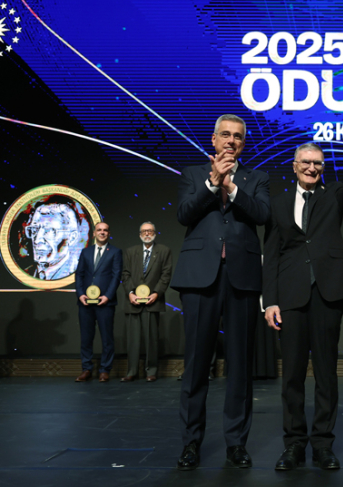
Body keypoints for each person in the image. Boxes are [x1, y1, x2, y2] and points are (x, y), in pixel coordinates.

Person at [263, 122, 343, 471]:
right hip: (290, 297)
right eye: (305, 163)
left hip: (328, 292)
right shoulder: (277, 204)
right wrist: (270, 300)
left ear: (323, 167)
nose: (311, 168)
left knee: (326, 373)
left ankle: (323, 444)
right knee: (292, 375)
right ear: (294, 166)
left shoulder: (334, 194)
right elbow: (272, 256)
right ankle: (294, 444)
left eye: (317, 163)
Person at [170, 114, 270, 471]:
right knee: (197, 365)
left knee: (240, 366)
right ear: (213, 140)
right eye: (225, 135)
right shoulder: (193, 174)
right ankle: (191, 442)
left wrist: (232, 188)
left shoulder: (256, 178)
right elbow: (184, 214)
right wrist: (213, 183)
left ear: (243, 143)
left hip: (242, 278)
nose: (231, 141)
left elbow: (262, 214)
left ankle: (236, 443)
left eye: (238, 136)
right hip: (200, 278)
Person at [120, 221, 173, 382]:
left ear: (155, 233)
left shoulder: (164, 251)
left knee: (152, 339)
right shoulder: (131, 252)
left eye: (150, 231)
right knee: (133, 340)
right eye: (144, 231)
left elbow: (166, 274)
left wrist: (157, 293)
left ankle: (151, 371)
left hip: (153, 301)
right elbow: (125, 274)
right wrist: (130, 293)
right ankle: (131, 371)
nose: (147, 234)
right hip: (133, 301)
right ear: (140, 234)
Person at [74, 222, 122, 383]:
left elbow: (116, 276)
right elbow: (79, 274)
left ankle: (105, 370)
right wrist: (80, 294)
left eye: (105, 230)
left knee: (107, 338)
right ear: (94, 233)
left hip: (105, 302)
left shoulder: (115, 252)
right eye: (99, 230)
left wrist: (108, 296)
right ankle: (86, 369)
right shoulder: (85, 252)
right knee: (86, 338)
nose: (102, 232)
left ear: (109, 233)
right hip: (85, 302)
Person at [24, 202, 81, 280]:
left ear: (72, 238)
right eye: (34, 229)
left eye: (49, 231)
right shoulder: (25, 273)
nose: (37, 240)